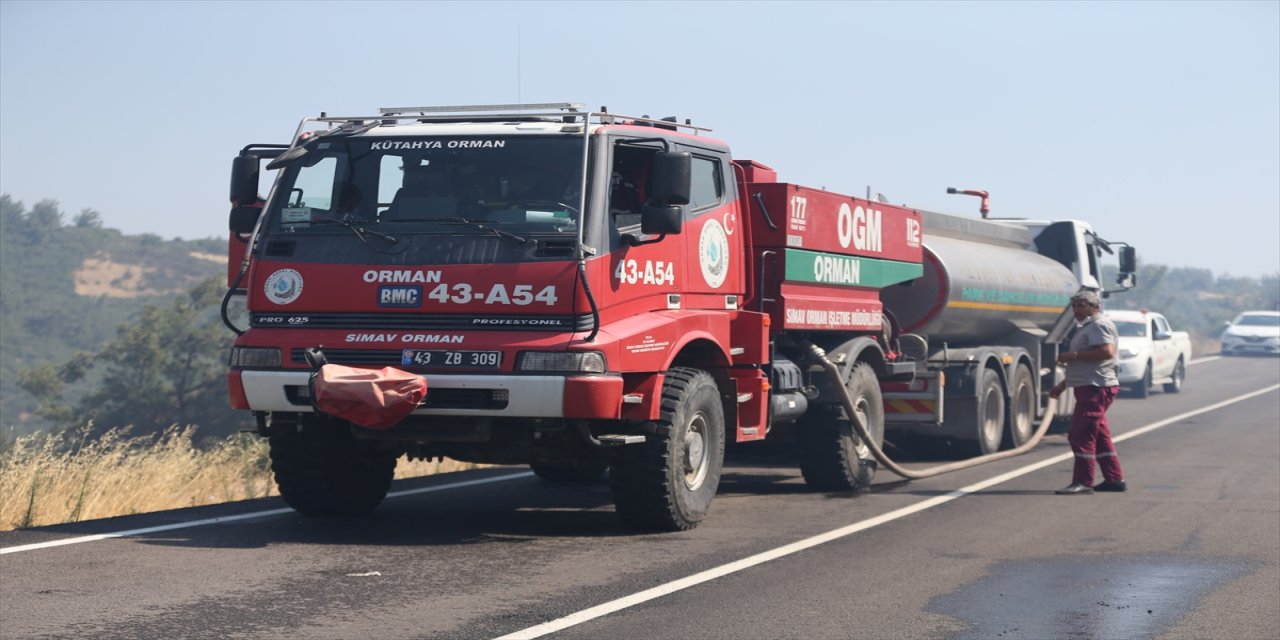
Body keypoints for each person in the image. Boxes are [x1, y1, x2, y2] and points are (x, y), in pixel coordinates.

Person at [1050, 290, 1126, 495]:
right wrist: (1063, 385)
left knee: (1080, 434)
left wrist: (1073, 354)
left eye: (1081, 305)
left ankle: (1083, 482)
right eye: (1074, 306)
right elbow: (1085, 366)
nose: (1076, 310)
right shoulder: (1088, 326)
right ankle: (1114, 478)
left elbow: (1106, 352)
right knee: (1099, 435)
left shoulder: (1099, 325)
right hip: (1090, 385)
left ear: (1094, 307)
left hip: (1096, 388)